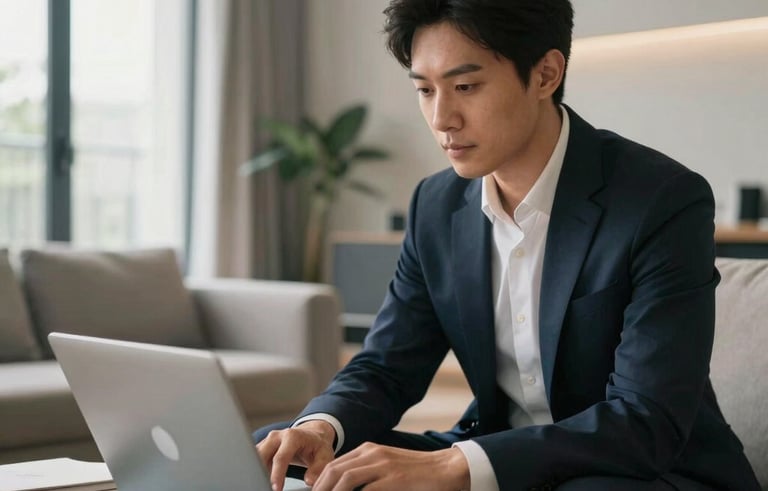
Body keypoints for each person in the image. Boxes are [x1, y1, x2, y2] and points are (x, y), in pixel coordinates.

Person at [254, 1, 760, 490]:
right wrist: (321, 427)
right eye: (425, 90)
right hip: (499, 453)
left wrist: (457, 468)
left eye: (466, 86)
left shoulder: (660, 200)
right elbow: (387, 365)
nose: (442, 118)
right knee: (280, 457)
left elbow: (645, 420)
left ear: (545, 75)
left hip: (644, 469)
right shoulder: (436, 205)